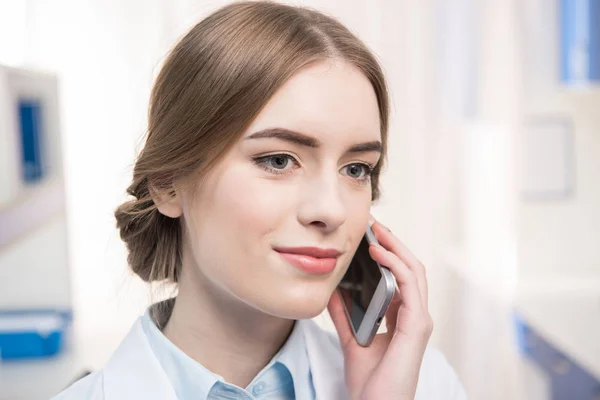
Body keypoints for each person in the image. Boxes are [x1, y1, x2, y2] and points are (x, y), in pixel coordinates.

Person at [52, 1, 466, 399]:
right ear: (168, 183)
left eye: (356, 169)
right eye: (279, 160)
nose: (331, 210)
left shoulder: (422, 386)